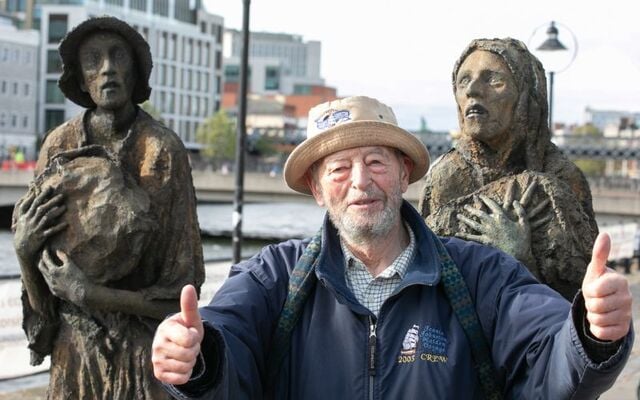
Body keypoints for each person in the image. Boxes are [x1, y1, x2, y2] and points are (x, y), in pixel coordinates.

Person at [152, 96, 633, 399]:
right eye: (339, 169)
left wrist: (592, 332)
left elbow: (549, 359)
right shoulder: (272, 276)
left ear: (404, 174)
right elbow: (226, 336)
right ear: (318, 190)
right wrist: (194, 353)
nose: (360, 182)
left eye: (376, 162)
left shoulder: (481, 275)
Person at [12, 17, 203, 399]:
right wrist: (22, 250)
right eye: (93, 60)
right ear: (81, 79)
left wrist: (94, 295)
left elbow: (182, 294)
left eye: (119, 57)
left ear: (135, 71)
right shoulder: (59, 145)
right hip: (74, 353)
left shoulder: (162, 150)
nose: (108, 68)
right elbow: (45, 297)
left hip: (143, 353)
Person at [419, 38, 598, 300]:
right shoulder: (446, 177)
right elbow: (425, 281)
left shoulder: (561, 178)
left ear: (526, 96)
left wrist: (519, 256)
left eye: (493, 80)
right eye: (463, 81)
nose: (473, 91)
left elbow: (582, 299)